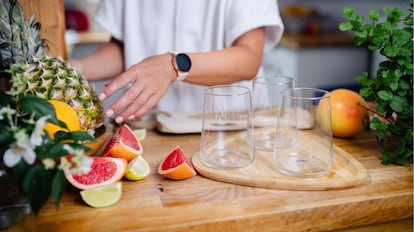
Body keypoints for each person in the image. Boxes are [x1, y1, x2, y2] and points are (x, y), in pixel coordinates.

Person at [69, 0, 284, 124]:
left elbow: (249, 59)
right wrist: (79, 68)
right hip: (155, 127)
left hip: (231, 128)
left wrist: (174, 65)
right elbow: (125, 48)